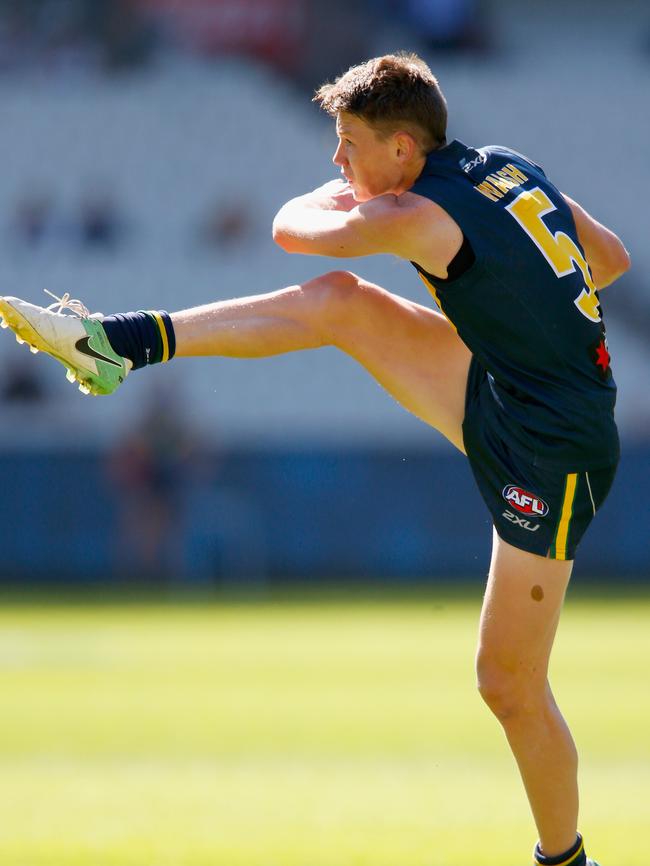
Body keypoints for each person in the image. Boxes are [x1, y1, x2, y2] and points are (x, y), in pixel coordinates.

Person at [0, 52, 629, 866]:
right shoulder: (505, 165)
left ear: (403, 150)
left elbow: (289, 230)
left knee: (506, 685)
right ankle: (118, 344)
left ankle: (567, 860)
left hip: (554, 448)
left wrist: (351, 204)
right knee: (342, 305)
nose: (339, 161)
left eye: (349, 143)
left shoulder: (414, 214)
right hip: (514, 389)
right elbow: (607, 257)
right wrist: (522, 309)